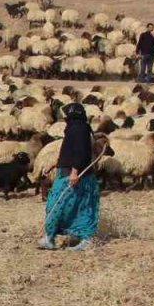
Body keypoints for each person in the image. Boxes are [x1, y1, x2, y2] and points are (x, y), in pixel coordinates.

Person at [39, 103, 101, 252]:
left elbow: (80, 152)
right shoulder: (75, 128)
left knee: (67, 205)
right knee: (62, 205)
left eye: (67, 114)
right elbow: (69, 150)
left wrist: (74, 172)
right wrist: (55, 164)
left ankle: (85, 239)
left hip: (76, 175)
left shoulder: (79, 129)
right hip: (67, 172)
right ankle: (50, 237)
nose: (65, 117)